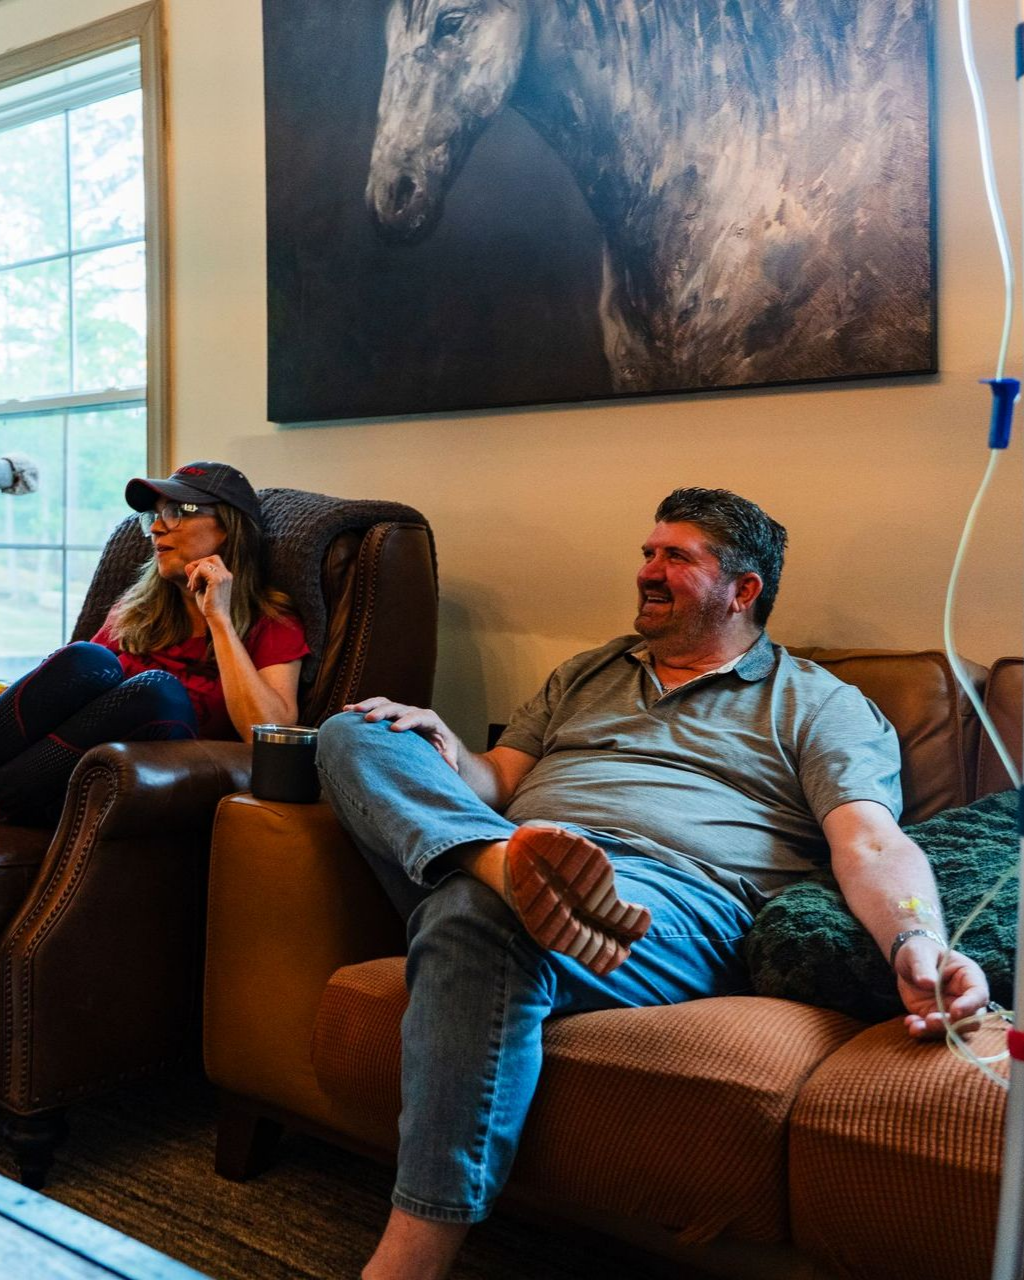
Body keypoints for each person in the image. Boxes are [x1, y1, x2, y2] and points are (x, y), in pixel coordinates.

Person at [314, 486, 990, 1280]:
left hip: (673, 904)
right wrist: (444, 750)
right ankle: (501, 869)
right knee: (355, 729)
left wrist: (917, 938)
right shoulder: (588, 672)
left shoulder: (820, 704)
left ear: (743, 590)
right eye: (647, 552)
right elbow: (497, 778)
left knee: (472, 912)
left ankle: (406, 1264)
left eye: (676, 557)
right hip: (513, 845)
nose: (647, 570)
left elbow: (872, 842)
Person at [0, 461, 308, 825]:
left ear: (229, 528)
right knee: (85, 659)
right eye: (156, 516)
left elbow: (268, 735)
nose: (157, 527)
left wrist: (219, 619)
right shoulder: (134, 612)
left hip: (156, 787)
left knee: (158, 692)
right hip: (61, 779)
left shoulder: (272, 623)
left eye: (178, 512)